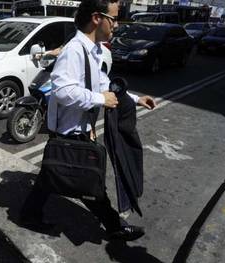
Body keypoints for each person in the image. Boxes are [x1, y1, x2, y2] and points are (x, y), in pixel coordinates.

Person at [19, 0, 156, 241]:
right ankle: (114, 226)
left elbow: (102, 83)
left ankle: (29, 214)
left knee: (53, 176)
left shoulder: (93, 49)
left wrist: (134, 99)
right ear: (97, 18)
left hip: (77, 127)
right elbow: (61, 90)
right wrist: (98, 99)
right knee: (89, 181)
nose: (116, 25)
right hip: (69, 129)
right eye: (113, 19)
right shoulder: (74, 50)